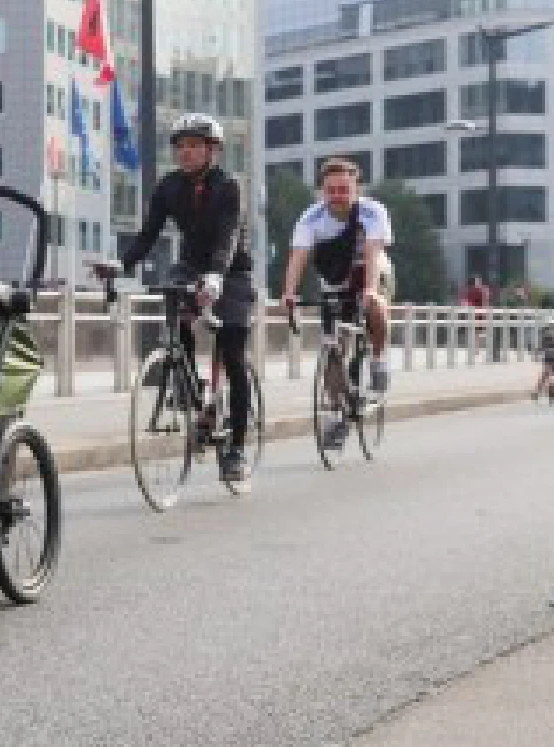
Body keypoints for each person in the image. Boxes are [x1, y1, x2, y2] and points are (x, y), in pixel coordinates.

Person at [114, 113, 258, 488]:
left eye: (194, 145)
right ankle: (186, 380)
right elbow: (148, 235)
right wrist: (120, 264)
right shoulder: (168, 187)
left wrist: (216, 276)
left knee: (233, 354)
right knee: (174, 307)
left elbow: (228, 236)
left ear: (213, 150)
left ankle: (237, 449)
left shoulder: (229, 187)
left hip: (232, 270)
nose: (185, 152)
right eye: (180, 146)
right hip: (191, 266)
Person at [279, 159, 396, 450]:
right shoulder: (310, 219)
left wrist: (369, 289)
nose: (338, 196)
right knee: (333, 347)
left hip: (371, 269)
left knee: (374, 303)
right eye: (331, 190)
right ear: (322, 191)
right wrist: (289, 293)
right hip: (335, 277)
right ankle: (337, 413)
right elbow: (299, 256)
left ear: (356, 189)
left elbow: (371, 253)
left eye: (344, 189)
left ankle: (379, 360)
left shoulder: (372, 212)